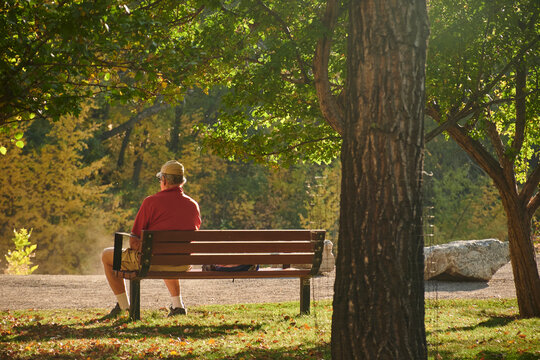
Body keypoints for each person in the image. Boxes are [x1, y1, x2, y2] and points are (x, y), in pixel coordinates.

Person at [101, 160, 201, 318]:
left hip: (152, 261)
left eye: (160, 179)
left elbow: (134, 241)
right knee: (168, 254)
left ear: (165, 180)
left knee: (107, 255)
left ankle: (124, 306)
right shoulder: (192, 205)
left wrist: (140, 247)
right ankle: (178, 306)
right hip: (181, 263)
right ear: (181, 182)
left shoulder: (151, 202)